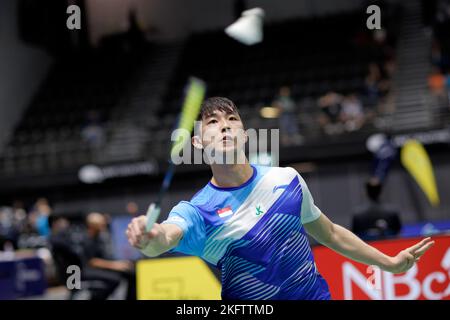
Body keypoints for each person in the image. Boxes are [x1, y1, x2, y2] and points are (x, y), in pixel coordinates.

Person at [126, 97, 434, 300]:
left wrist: (390, 264)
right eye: (212, 122)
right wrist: (148, 235)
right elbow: (164, 238)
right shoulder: (197, 211)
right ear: (197, 141)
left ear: (244, 134)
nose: (224, 126)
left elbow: (329, 233)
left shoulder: (285, 179)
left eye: (231, 119)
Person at [81, 212, 136, 300]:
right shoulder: (87, 240)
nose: (103, 225)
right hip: (89, 270)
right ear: (92, 225)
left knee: (131, 273)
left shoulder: (99, 237)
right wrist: (115, 265)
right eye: (101, 224)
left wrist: (121, 263)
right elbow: (93, 262)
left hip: (103, 266)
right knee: (115, 279)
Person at [351, 177, 402, 241]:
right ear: (380, 190)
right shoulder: (392, 212)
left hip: (367, 248)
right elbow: (398, 232)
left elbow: (354, 234)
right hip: (389, 247)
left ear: (367, 191)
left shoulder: (357, 214)